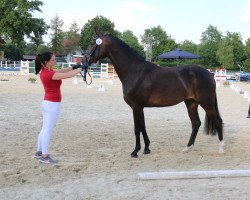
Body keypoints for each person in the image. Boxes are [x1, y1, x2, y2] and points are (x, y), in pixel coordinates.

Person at [34, 52, 84, 164]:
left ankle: (39, 152)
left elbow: (61, 71)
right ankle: (45, 155)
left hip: (47, 103)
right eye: (53, 60)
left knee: (44, 129)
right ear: (46, 62)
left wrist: (74, 67)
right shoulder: (49, 74)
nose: (55, 61)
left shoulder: (46, 71)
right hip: (52, 104)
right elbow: (67, 75)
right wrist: (81, 69)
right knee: (47, 130)